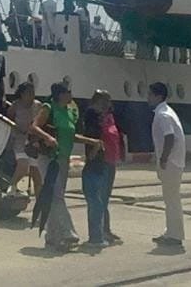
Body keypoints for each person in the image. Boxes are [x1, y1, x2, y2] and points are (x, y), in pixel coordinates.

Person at [29, 82, 99, 252]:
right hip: (49, 158)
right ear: (60, 94)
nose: (71, 94)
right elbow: (34, 126)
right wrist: (48, 138)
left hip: (63, 159)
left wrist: (91, 141)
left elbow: (70, 135)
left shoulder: (69, 111)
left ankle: (51, 237)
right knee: (56, 195)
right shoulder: (49, 108)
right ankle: (68, 232)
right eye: (68, 91)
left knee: (54, 196)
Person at [82, 89, 124, 247]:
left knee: (104, 198)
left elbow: (116, 136)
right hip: (101, 160)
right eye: (104, 101)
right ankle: (98, 233)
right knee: (98, 198)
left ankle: (105, 229)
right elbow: (92, 136)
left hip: (111, 160)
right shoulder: (93, 116)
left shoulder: (109, 117)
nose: (107, 104)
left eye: (108, 101)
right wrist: (92, 153)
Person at [148, 81, 187, 247]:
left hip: (170, 162)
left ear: (158, 96)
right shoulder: (167, 111)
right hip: (174, 161)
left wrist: (163, 158)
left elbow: (169, 137)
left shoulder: (163, 115)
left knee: (171, 200)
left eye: (150, 94)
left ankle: (175, 235)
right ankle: (170, 231)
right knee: (171, 199)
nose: (148, 98)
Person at [6, 82, 44, 197]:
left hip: (33, 142)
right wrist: (17, 129)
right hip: (19, 140)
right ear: (22, 94)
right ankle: (11, 186)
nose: (31, 95)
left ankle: (39, 201)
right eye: (28, 93)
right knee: (23, 166)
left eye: (33, 92)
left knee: (37, 175)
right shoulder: (16, 105)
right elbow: (9, 120)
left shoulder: (38, 105)